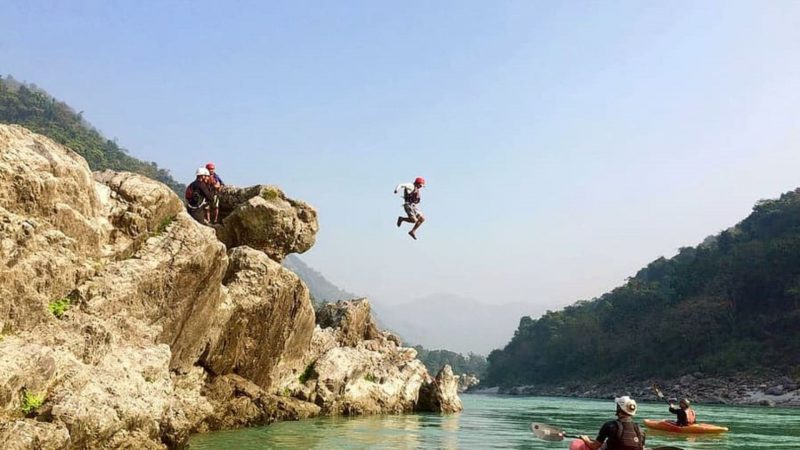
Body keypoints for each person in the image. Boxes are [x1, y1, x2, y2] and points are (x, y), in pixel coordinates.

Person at [579, 396, 645, 450]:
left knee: (575, 444)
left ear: (619, 408)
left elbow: (594, 446)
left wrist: (586, 439)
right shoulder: (640, 430)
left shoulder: (610, 425)